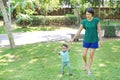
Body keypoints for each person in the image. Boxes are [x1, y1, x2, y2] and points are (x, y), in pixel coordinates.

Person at [70, 7, 102, 75]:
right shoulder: (84, 21)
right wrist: (73, 38)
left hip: (94, 40)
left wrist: (101, 40)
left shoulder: (96, 20)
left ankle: (89, 68)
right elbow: (79, 30)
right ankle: (85, 63)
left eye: (89, 14)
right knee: (84, 55)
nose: (87, 15)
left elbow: (99, 30)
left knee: (91, 55)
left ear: (92, 14)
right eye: (86, 14)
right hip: (86, 40)